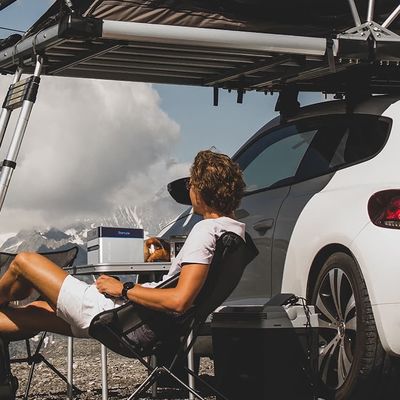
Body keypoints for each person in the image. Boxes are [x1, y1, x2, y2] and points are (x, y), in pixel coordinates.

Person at [0, 150, 246, 342]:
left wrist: (123, 289)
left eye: (191, 183)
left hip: (120, 317)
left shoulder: (205, 230)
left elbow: (179, 301)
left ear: (201, 190)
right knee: (34, 312)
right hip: (138, 320)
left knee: (24, 261)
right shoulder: (233, 232)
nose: (189, 189)